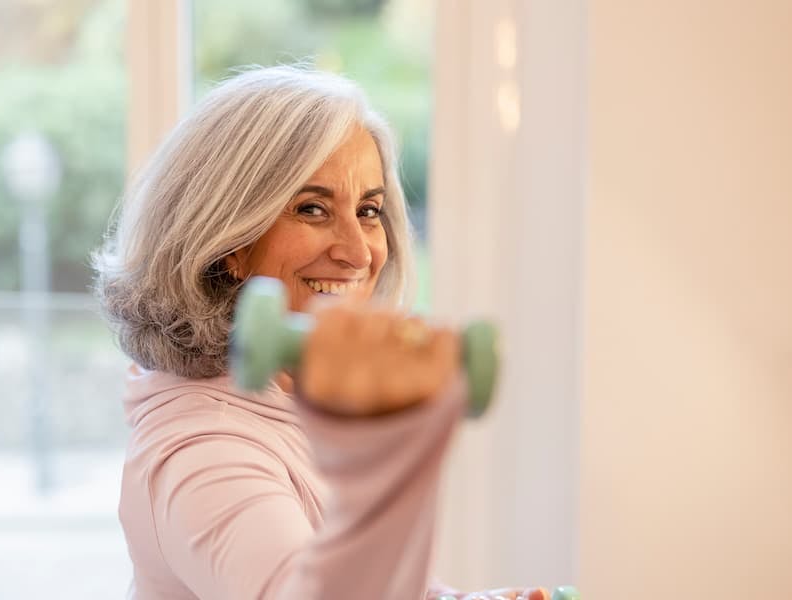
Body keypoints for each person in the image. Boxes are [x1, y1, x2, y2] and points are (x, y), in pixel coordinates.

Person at [94, 66, 547, 600]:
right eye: (312, 209)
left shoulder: (288, 402)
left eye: (369, 211)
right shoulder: (204, 451)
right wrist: (388, 441)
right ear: (231, 243)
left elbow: (367, 576)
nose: (358, 253)